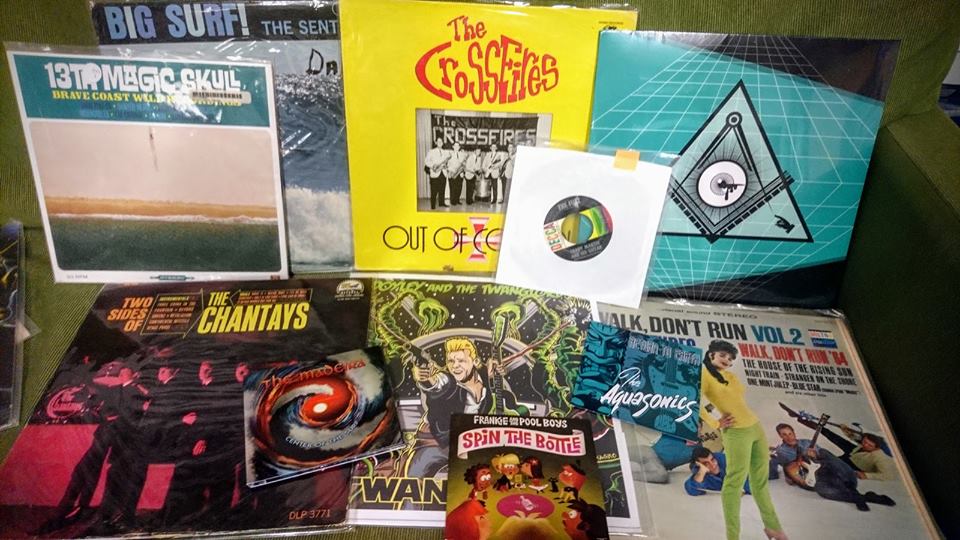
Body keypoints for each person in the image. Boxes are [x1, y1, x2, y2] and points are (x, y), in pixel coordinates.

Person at [700, 340, 787, 540]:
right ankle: (733, 536)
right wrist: (715, 423)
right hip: (736, 432)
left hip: (755, 428)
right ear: (711, 354)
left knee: (760, 482)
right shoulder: (704, 374)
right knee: (734, 483)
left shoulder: (729, 375)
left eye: (730, 358)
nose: (727, 360)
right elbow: (693, 400)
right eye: (723, 355)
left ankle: (773, 527)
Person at [771, 424, 895, 511]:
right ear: (780, 436)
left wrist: (816, 454)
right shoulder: (781, 451)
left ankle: (854, 493)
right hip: (818, 477)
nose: (789, 437)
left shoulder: (807, 442)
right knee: (823, 491)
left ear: (794, 432)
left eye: (790, 433)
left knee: (824, 452)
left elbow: (826, 459)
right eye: (784, 434)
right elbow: (788, 468)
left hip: (834, 470)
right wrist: (789, 477)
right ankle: (865, 497)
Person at [684, 447, 750, 496]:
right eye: (706, 463)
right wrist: (701, 472)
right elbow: (692, 489)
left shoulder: (725, 460)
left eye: (712, 460)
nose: (713, 465)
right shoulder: (701, 474)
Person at [424, 137, 450, 209]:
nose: (440, 143)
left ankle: (441, 203)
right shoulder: (431, 151)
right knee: (434, 191)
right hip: (435, 173)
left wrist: (446, 166)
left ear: (443, 143)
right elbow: (426, 161)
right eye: (438, 141)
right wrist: (433, 165)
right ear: (436, 143)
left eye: (441, 141)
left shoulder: (445, 152)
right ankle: (433, 205)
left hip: (443, 173)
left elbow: (447, 162)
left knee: (442, 190)